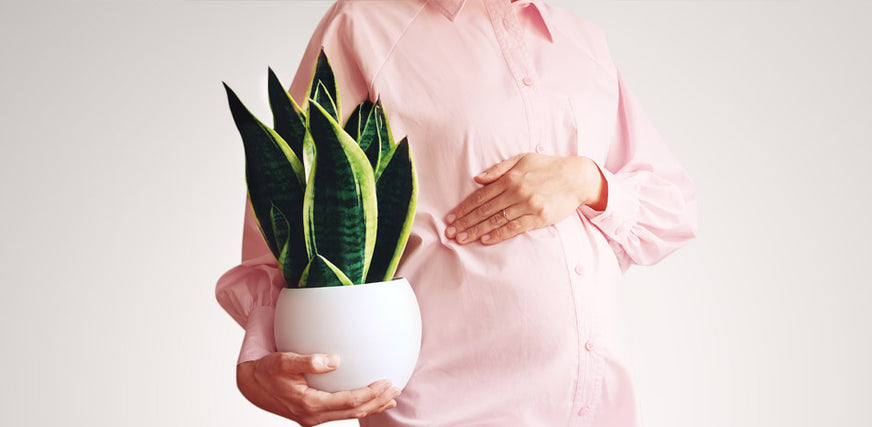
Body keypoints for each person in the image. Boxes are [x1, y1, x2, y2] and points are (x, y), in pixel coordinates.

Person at [216, 0, 698, 425]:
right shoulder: (364, 25)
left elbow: (672, 212)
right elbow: (281, 227)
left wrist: (588, 180)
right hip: (445, 413)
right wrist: (259, 358)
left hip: (601, 412)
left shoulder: (583, 42)